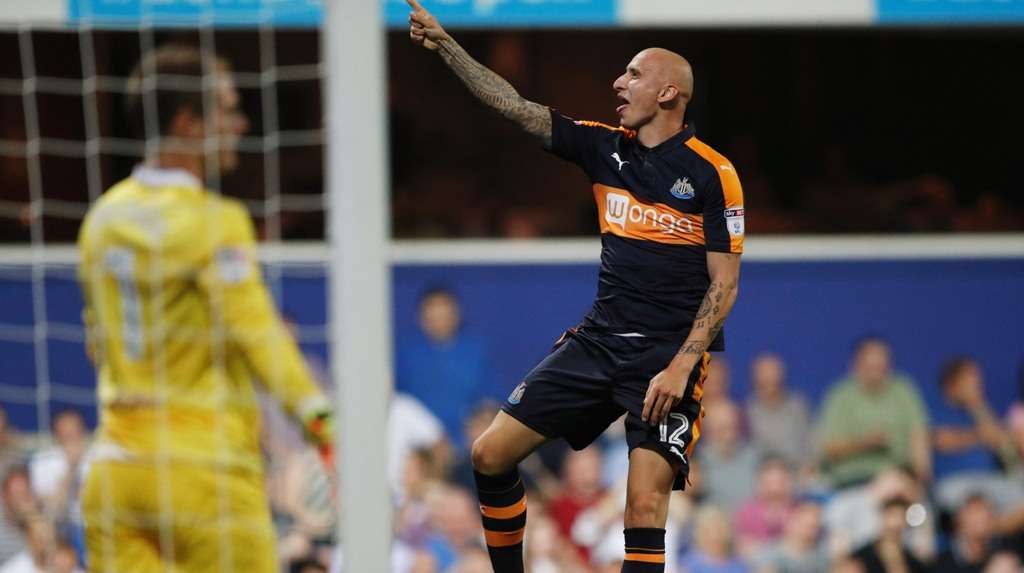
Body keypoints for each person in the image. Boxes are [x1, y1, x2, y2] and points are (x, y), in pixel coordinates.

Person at [407, 2, 746, 572]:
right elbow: (512, 105)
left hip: (666, 360)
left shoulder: (714, 174)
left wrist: (682, 366)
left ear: (668, 93)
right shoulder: (601, 147)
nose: (619, 81)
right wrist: (446, 45)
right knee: (489, 454)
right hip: (598, 342)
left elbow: (725, 284)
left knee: (643, 504)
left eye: (634, 73)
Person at [76, 44, 333, 573]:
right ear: (190, 123)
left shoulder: (100, 221)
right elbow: (256, 330)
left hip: (114, 473)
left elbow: (96, 345)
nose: (239, 123)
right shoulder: (214, 221)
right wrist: (319, 418)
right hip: (203, 473)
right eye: (229, 109)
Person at [816, 337, 931, 488]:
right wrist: (865, 443)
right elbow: (829, 448)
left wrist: (923, 479)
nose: (876, 373)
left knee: (917, 507)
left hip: (900, 479)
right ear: (855, 366)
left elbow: (919, 436)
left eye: (881, 367)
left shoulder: (904, 390)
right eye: (870, 367)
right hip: (853, 480)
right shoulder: (840, 395)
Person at [396, 287, 488, 448]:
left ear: (456, 315)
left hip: (466, 446)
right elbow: (399, 405)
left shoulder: (475, 352)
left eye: (444, 315)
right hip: (419, 447)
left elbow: (489, 400)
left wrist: (480, 424)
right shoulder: (406, 354)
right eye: (433, 316)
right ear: (422, 318)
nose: (440, 322)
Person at [930, 357, 1020, 512]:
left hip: (990, 481)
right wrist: (979, 436)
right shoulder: (935, 408)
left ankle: (990, 531)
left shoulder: (978, 410)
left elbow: (1001, 441)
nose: (977, 386)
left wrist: (978, 405)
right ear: (952, 383)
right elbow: (944, 441)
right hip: (954, 483)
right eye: (971, 380)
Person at [745, 353, 812, 471]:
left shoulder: (798, 406)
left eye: (774, 374)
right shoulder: (746, 411)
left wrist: (808, 467)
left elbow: (811, 442)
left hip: (800, 473)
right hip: (764, 477)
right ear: (755, 378)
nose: (770, 379)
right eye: (764, 375)